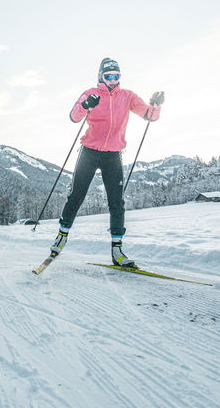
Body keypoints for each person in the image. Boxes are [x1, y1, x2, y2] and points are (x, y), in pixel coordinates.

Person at [50, 57, 164, 268]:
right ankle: (62, 236)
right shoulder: (91, 94)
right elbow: (74, 117)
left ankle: (117, 251)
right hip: (89, 152)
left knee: (116, 202)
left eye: (116, 76)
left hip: (113, 154)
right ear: (101, 76)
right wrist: (86, 105)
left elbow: (149, 115)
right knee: (76, 195)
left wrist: (155, 105)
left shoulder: (127, 96)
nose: (112, 80)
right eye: (108, 76)